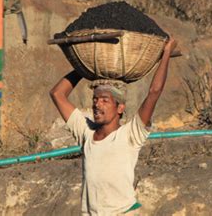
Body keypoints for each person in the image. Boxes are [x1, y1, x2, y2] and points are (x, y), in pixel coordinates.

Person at [50, 37, 177, 215]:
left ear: (120, 107)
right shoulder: (86, 132)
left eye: (104, 100)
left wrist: (166, 53)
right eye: (95, 100)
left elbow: (154, 92)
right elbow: (57, 94)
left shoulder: (130, 135)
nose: (97, 105)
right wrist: (83, 68)